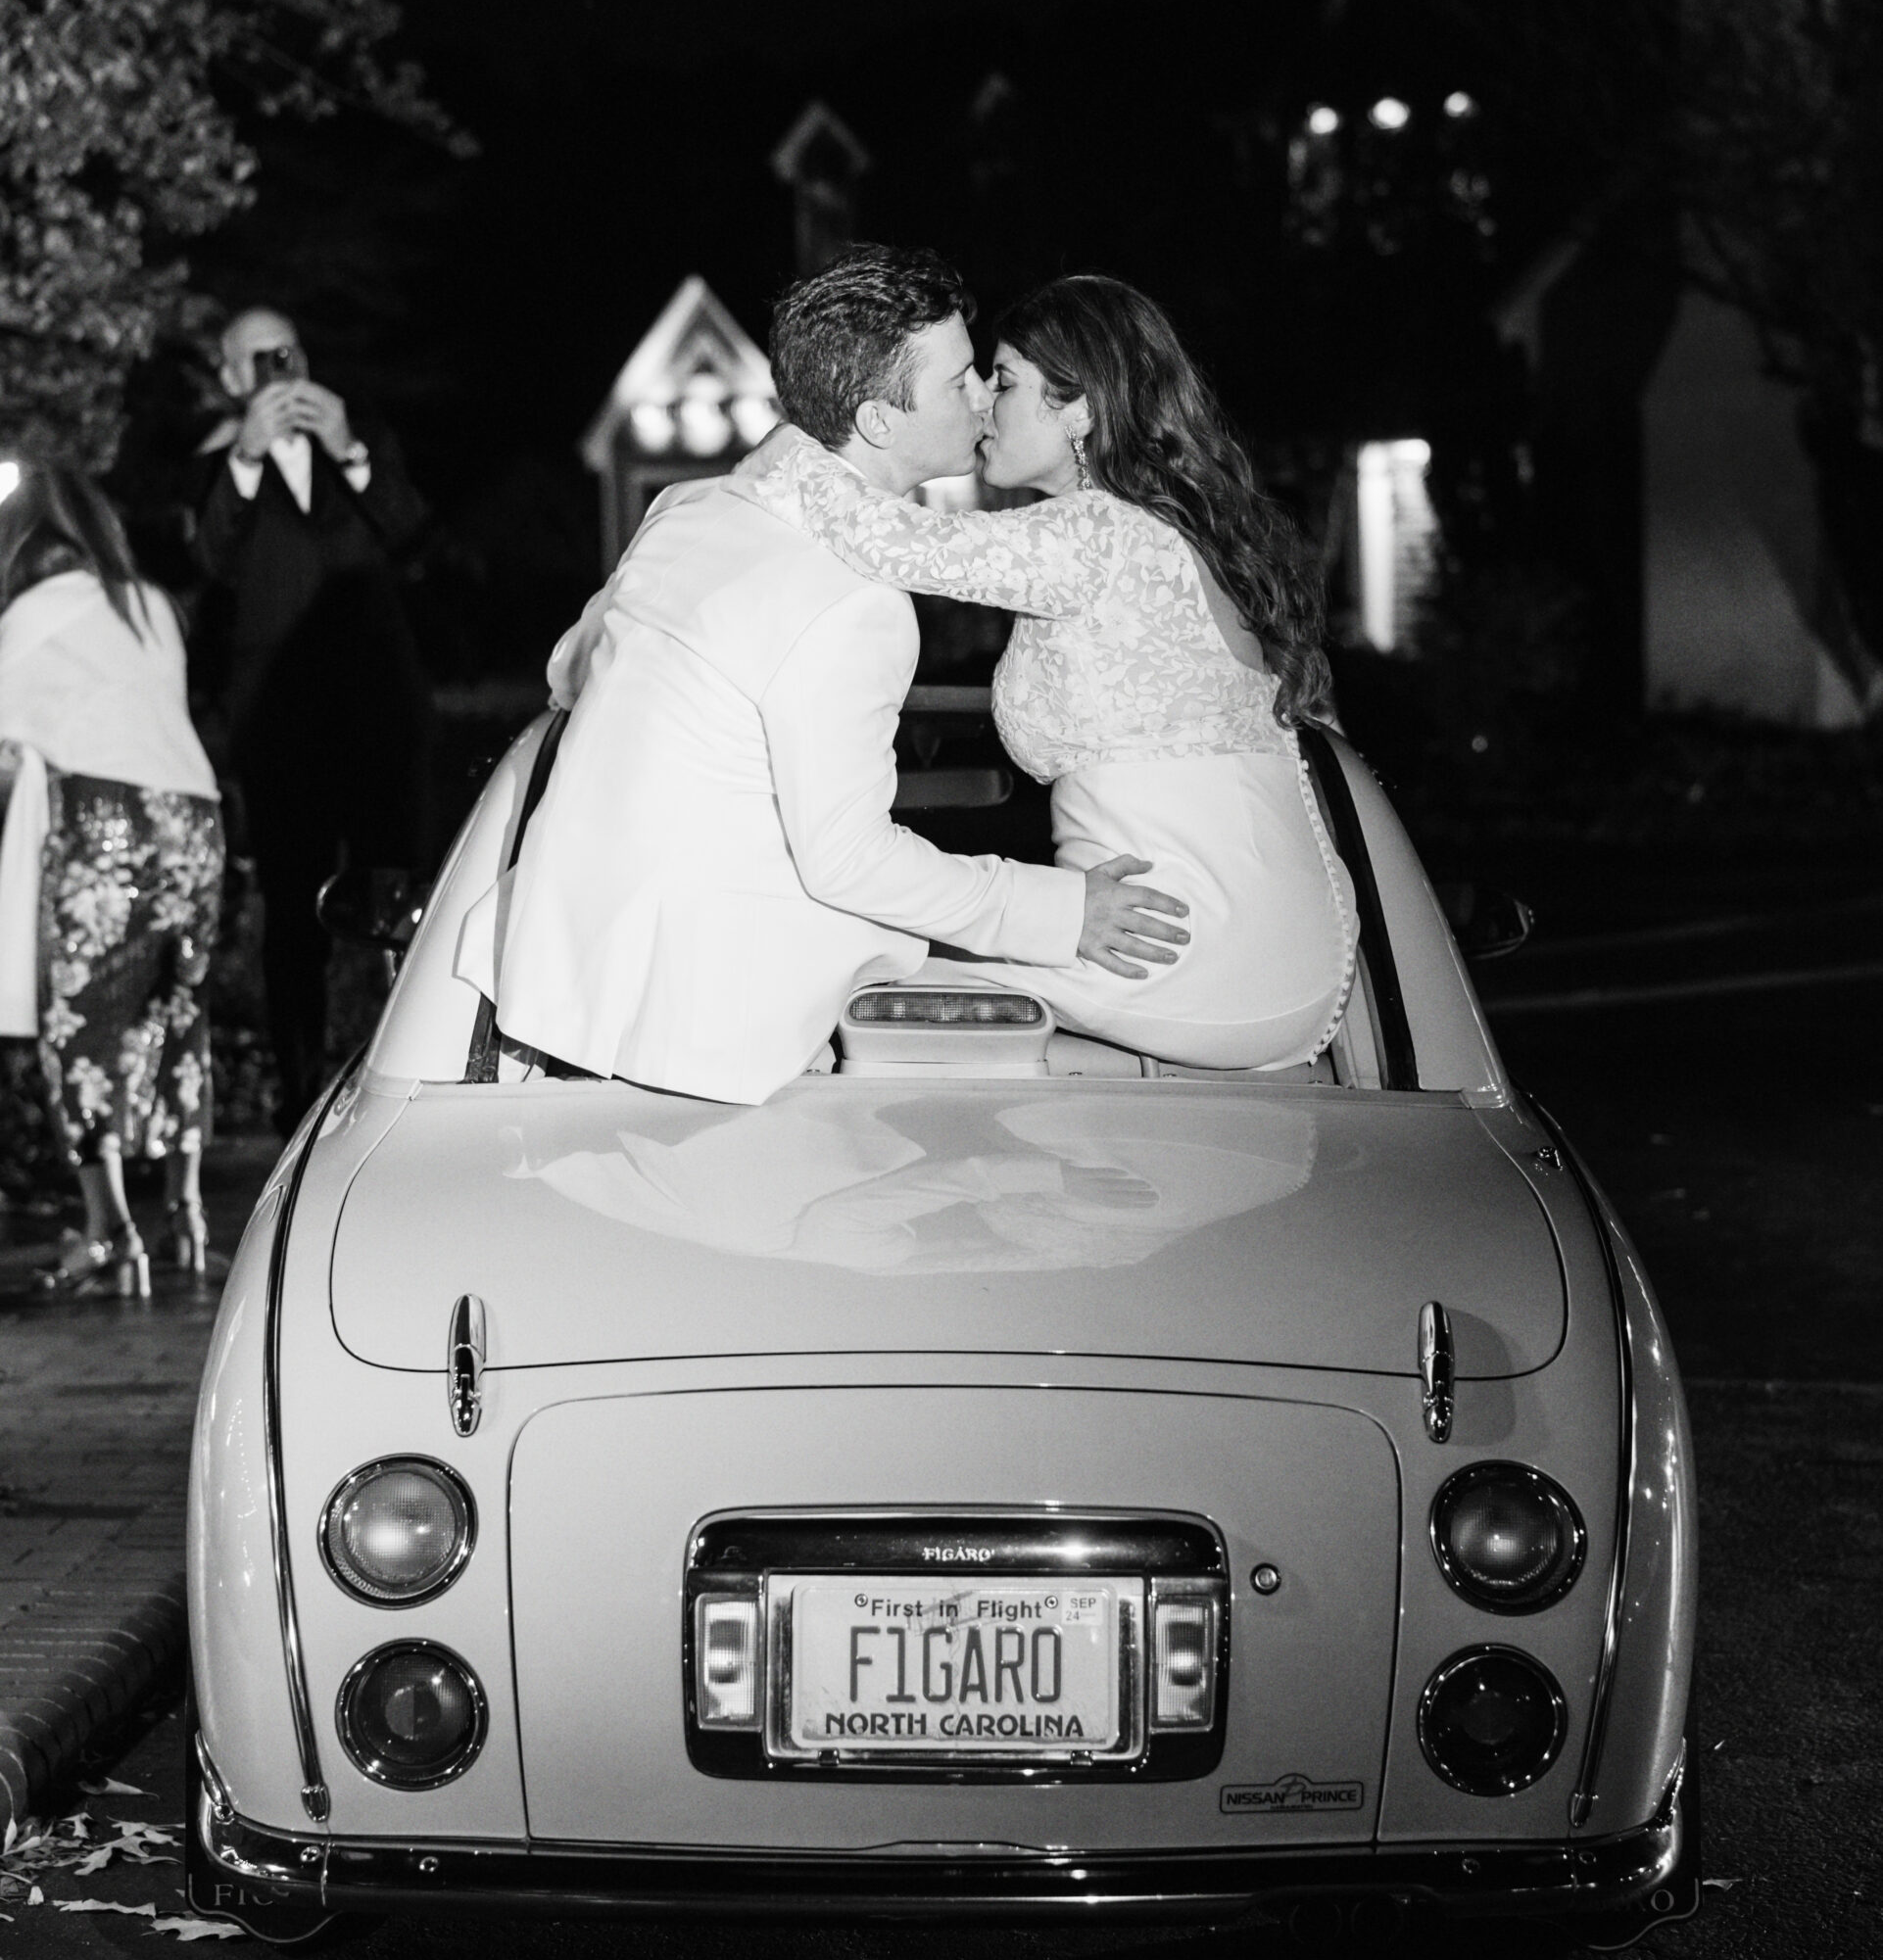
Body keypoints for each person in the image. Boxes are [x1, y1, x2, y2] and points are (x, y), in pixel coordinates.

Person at [463, 246, 1187, 1105]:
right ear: (880, 420)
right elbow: (848, 862)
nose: (986, 396)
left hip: (543, 973)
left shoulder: (687, 508)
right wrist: (1061, 911)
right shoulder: (855, 601)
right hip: (690, 1036)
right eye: (961, 381)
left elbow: (569, 671)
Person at [748, 273, 1356, 1070]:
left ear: (1080, 408)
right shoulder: (1168, 531)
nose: (980, 405)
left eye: (1003, 382)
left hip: (1185, 949)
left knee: (828, 970)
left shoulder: (1099, 532)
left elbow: (883, 537)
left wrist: (793, 436)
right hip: (1284, 945)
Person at [194, 305, 429, 1130]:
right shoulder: (219, 465)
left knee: (393, 901)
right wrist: (249, 456)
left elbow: (407, 528)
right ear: (230, 378)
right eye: (255, 360)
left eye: (284, 353)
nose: (275, 372)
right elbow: (210, 557)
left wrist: (350, 451)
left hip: (375, 711)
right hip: (278, 726)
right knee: (292, 916)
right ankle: (298, 1097)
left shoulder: (356, 441)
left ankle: (406, 1085)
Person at [0, 465, 224, 1295]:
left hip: (106, 823)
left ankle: (111, 1232)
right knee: (174, 1018)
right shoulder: (151, 605)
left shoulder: (32, 613)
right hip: (194, 821)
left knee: (84, 1027)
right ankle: (188, 1218)